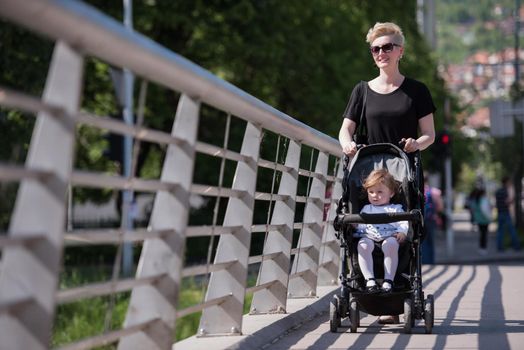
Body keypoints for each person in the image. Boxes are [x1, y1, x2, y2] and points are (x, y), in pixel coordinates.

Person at [338, 22, 436, 324]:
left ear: (400, 51)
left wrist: (414, 144)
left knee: (402, 231)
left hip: (403, 173)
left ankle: (397, 294)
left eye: (388, 47)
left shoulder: (416, 91)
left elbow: (429, 134)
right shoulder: (362, 91)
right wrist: (348, 146)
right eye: (376, 49)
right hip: (368, 173)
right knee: (363, 228)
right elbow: (346, 129)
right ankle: (369, 289)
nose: (382, 52)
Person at [355, 169, 408, 294]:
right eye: (371, 192)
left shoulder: (395, 208)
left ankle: (388, 280)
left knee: (391, 244)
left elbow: (403, 223)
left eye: (380, 192)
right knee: (362, 244)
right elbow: (362, 227)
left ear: (391, 193)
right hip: (369, 236)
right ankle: (369, 280)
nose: (374, 195)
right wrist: (355, 225)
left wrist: (402, 232)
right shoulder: (366, 209)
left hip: (390, 236)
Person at [495, 176, 521, 251]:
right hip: (505, 213)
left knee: (500, 231)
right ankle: (516, 246)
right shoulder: (505, 191)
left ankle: (500, 247)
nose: (509, 183)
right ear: (506, 182)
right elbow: (507, 202)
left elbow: (497, 203)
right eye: (509, 182)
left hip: (499, 213)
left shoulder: (498, 191)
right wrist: (512, 199)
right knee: (512, 230)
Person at [421, 176, 443, 264]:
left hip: (420, 219)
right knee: (431, 241)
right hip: (431, 219)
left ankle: (423, 261)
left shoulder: (416, 190)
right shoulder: (434, 192)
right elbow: (440, 207)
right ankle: (431, 261)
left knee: (422, 241)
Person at [470, 187, 491, 255]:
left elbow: (472, 209)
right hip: (484, 219)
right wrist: (489, 217)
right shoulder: (483, 200)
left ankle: (481, 248)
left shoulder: (476, 200)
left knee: (482, 234)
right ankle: (483, 248)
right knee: (484, 235)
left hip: (478, 219)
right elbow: (485, 210)